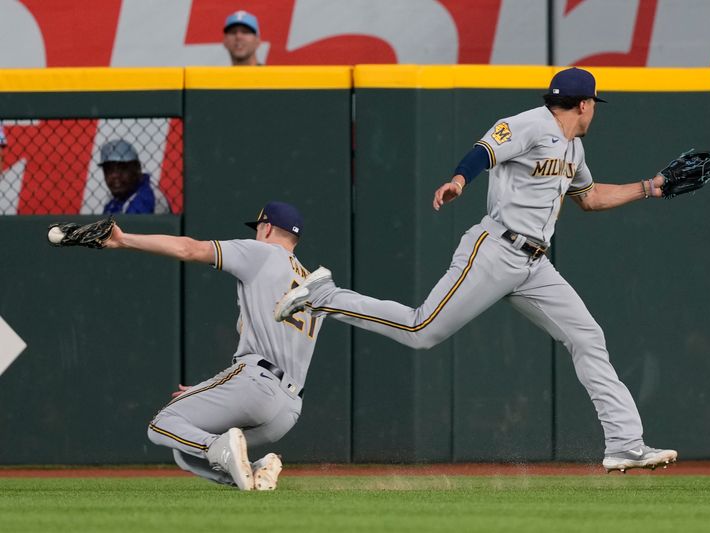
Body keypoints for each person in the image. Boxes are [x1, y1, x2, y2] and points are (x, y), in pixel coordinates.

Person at [276, 67, 678, 473]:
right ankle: (323, 297)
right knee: (421, 330)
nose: (594, 112)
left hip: (536, 265)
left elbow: (589, 198)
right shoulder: (531, 124)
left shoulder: (574, 149)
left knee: (588, 338)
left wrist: (650, 186)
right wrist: (458, 180)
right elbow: (484, 151)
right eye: (594, 105)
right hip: (495, 250)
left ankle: (626, 443)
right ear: (586, 104)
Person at [103, 201, 319, 490]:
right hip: (288, 410)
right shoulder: (310, 284)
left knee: (163, 423)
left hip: (257, 385)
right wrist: (211, 392)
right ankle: (259, 471)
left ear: (267, 228)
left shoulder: (262, 252)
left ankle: (221, 448)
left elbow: (188, 249)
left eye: (258, 228)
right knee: (186, 449)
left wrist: (123, 239)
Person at [99, 139, 170, 215]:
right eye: (109, 170)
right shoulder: (114, 199)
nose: (115, 175)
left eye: (122, 168)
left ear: (137, 168)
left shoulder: (147, 197)